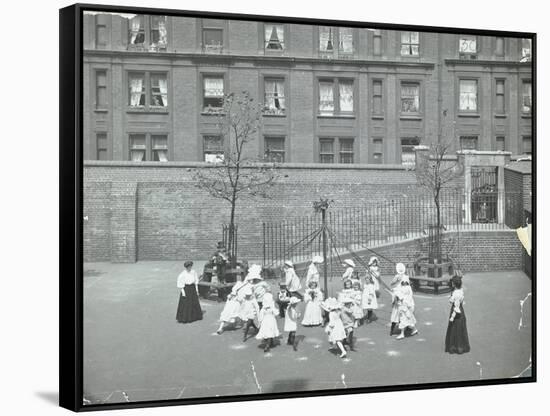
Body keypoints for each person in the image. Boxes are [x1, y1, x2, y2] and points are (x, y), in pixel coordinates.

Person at [445, 274, 470, 354]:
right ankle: (462, 346)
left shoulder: (455, 293)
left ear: (453, 284)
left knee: (454, 326)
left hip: (455, 310)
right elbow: (462, 300)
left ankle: (453, 346)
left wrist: (450, 297)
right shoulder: (461, 290)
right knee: (460, 326)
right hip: (461, 310)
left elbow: (451, 301)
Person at [393, 275, 418, 340]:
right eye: (402, 281)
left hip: (406, 307)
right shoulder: (403, 287)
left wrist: (401, 298)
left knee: (405, 319)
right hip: (403, 306)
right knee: (407, 319)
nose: (404, 283)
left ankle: (402, 334)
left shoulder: (407, 288)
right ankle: (413, 330)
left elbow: (406, 297)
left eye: (405, 281)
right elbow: (398, 292)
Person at [390, 262, 407, 335]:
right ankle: (392, 329)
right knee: (396, 313)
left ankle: (406, 328)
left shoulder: (405, 277)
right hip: (397, 296)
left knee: (404, 313)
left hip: (403, 296)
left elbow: (407, 286)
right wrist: (396, 280)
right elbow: (392, 284)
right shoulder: (397, 276)